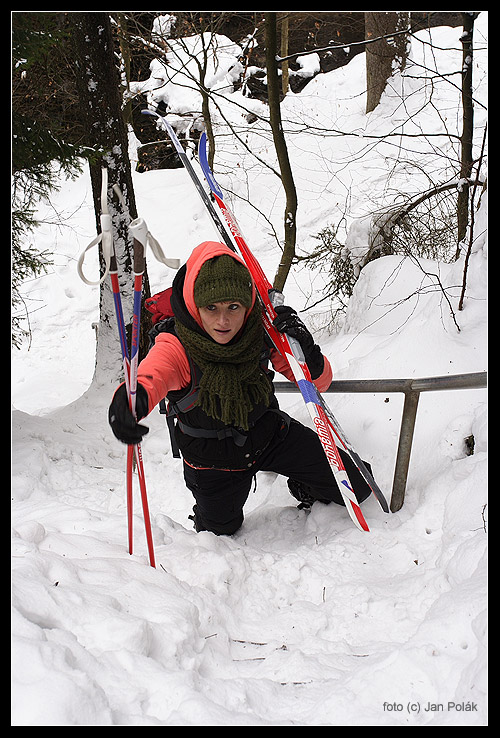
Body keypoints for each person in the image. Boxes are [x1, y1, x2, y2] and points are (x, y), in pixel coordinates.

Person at [109, 241, 372, 535]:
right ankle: (208, 511)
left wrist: (305, 349)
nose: (223, 321)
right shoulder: (177, 343)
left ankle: (303, 486)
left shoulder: (259, 330)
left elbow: (318, 383)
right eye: (211, 308)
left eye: (233, 307)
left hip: (268, 435)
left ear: (247, 304)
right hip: (211, 462)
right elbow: (151, 376)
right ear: (196, 304)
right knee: (220, 531)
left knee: (357, 486)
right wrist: (130, 403)